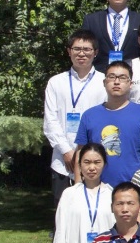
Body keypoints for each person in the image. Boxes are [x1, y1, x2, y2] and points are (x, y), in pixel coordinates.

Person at [45, 30, 108, 203]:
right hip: (62, 162)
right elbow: (50, 121)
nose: (81, 53)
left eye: (87, 49)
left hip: (95, 161)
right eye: (77, 49)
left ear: (95, 52)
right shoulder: (56, 82)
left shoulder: (104, 82)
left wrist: (89, 156)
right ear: (69, 51)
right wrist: (66, 151)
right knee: (63, 209)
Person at [75, 61, 140, 187]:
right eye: (112, 77)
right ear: (104, 82)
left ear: (130, 84)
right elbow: (80, 154)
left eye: (122, 78)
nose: (116, 82)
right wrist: (78, 185)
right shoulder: (89, 115)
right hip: (96, 188)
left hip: (132, 188)